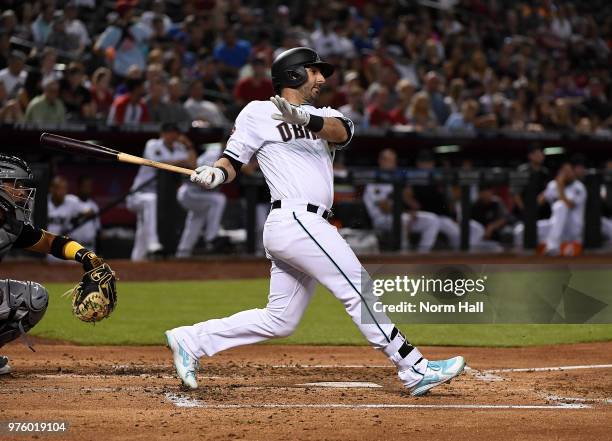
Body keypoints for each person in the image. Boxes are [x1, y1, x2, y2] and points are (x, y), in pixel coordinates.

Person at [165, 47, 465, 395]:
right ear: (293, 74)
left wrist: (304, 119)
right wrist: (216, 174)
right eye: (313, 71)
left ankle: (190, 340)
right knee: (358, 287)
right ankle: (414, 368)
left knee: (280, 320)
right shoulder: (257, 112)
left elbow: (342, 132)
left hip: (305, 225)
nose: (321, 78)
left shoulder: (325, 114)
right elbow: (233, 160)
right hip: (294, 218)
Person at [0, 155, 113, 375]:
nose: (23, 192)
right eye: (16, 185)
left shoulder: (10, 226)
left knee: (33, 299)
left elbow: (50, 242)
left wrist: (85, 256)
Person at [127, 122, 196, 261]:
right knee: (151, 200)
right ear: (162, 134)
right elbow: (160, 165)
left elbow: (193, 165)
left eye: (174, 132)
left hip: (162, 198)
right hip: (138, 194)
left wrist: (189, 145)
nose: (172, 135)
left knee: (143, 229)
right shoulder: (153, 144)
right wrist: (181, 161)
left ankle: (135, 263)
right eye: (168, 132)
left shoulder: (179, 148)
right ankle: (153, 242)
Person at [363, 148, 440, 252]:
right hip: (381, 219)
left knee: (432, 220)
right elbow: (384, 208)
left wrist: (409, 204)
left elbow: (415, 205)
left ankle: (422, 254)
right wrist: (406, 212)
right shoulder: (374, 182)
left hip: (400, 215)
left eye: (393, 160)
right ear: (380, 161)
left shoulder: (396, 179)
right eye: (388, 160)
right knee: (403, 219)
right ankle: (403, 253)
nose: (392, 163)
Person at [514, 162, 586, 255]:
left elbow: (569, 205)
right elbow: (537, 203)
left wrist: (560, 187)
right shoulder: (552, 185)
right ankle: (526, 258)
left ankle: (552, 247)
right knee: (520, 230)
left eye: (569, 171)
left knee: (560, 205)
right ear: (559, 172)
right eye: (564, 171)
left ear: (573, 172)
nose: (567, 173)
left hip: (572, 228)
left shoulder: (578, 187)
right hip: (555, 226)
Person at [175, 144, 227, 258]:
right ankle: (211, 236)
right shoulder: (212, 155)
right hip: (190, 191)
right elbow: (203, 181)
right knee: (219, 200)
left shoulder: (228, 155)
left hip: (199, 194)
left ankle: (183, 252)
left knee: (196, 219)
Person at [70, 175, 101, 251]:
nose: (88, 189)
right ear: (79, 186)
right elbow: (68, 222)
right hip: (74, 247)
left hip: (89, 247)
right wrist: (83, 215)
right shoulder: (71, 202)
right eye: (85, 186)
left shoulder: (94, 206)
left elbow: (97, 230)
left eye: (89, 186)